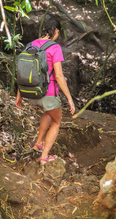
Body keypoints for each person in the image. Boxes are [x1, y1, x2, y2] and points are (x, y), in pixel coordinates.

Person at [15, 18, 75, 165]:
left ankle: (38, 143)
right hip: (47, 93)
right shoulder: (55, 47)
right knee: (56, 121)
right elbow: (59, 76)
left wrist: (20, 95)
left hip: (30, 93)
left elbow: (23, 72)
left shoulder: (31, 45)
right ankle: (44, 156)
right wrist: (69, 98)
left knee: (48, 112)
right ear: (56, 31)